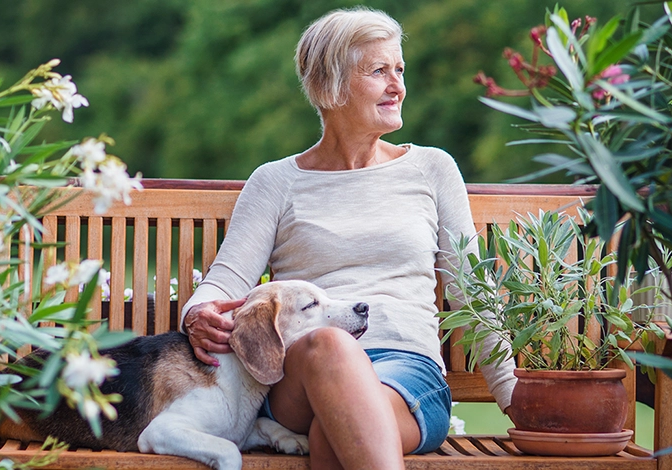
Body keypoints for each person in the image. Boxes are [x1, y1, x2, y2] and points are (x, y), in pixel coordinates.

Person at [180, 7, 516, 470]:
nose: (397, 85)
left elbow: (471, 290)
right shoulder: (276, 182)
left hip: (407, 373)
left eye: (399, 69)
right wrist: (197, 313)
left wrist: (511, 394)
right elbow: (228, 279)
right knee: (332, 344)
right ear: (330, 86)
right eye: (379, 71)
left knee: (332, 433)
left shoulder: (431, 169)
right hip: (301, 374)